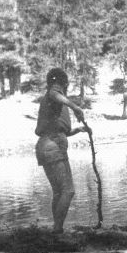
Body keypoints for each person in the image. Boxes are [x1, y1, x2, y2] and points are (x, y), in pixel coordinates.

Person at [35, 68, 87, 234]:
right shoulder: (54, 93)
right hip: (52, 146)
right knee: (68, 190)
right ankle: (57, 230)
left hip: (46, 145)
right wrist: (75, 107)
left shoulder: (51, 101)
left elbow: (58, 129)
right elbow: (54, 93)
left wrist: (78, 130)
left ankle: (57, 229)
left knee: (59, 192)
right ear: (64, 83)